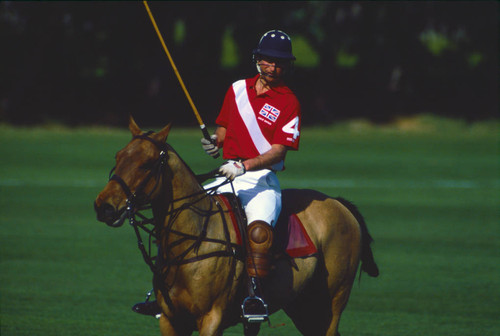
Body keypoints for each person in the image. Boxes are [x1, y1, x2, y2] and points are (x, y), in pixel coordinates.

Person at [201, 29, 301, 322]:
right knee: (187, 213)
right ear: (257, 59)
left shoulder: (289, 101)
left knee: (258, 231)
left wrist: (244, 166)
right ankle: (168, 286)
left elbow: (279, 152)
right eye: (269, 61)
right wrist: (215, 142)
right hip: (227, 172)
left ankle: (254, 297)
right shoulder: (236, 89)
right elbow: (224, 127)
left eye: (281, 63)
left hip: (261, 180)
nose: (274, 68)